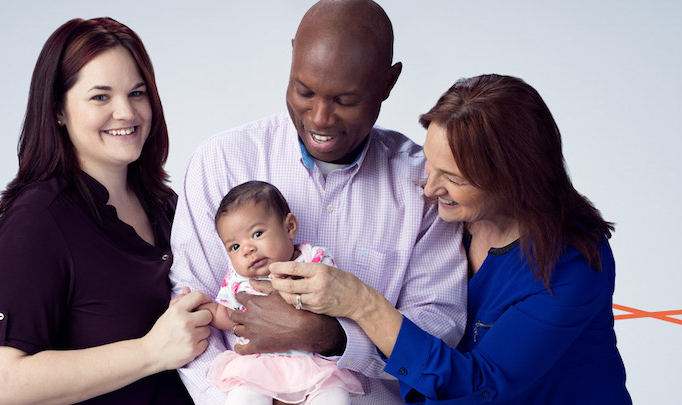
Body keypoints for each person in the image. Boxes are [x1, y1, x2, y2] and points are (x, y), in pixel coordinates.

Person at [268, 74, 633, 404]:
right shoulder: (452, 218)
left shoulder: (573, 267)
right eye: (429, 162)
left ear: (513, 179)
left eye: (454, 178)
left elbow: (477, 385)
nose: (429, 188)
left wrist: (361, 303)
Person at [169, 1, 467, 403]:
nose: (321, 118)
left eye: (345, 100)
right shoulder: (220, 161)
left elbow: (438, 326)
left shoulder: (423, 184)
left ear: (388, 83)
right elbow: (190, 313)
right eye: (304, 91)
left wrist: (332, 336)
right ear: (292, 55)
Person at [0, 17, 212, 404]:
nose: (127, 113)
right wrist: (150, 352)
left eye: (137, 93)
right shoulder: (38, 219)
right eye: (101, 97)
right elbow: (3, 381)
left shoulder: (169, 206)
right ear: (58, 110)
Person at [199, 181, 364, 404]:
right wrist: (207, 310)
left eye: (257, 234)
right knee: (243, 397)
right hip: (259, 365)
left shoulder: (313, 262)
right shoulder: (239, 281)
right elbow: (232, 316)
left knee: (334, 396)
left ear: (289, 228)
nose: (247, 249)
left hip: (315, 364)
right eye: (235, 247)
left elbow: (333, 301)